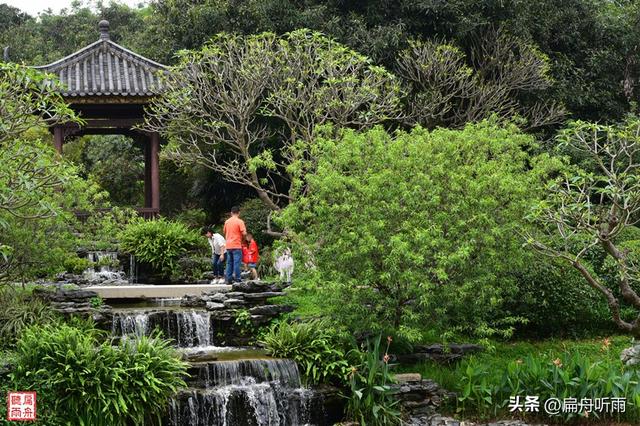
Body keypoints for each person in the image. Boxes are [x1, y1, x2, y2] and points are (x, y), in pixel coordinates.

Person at [223, 205, 246, 284]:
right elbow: (244, 233)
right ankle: (237, 279)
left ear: (231, 213)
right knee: (237, 263)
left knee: (229, 263)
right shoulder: (240, 221)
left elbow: (224, 232)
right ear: (239, 213)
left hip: (228, 245)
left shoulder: (227, 222)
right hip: (236, 245)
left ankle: (228, 279)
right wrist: (243, 239)